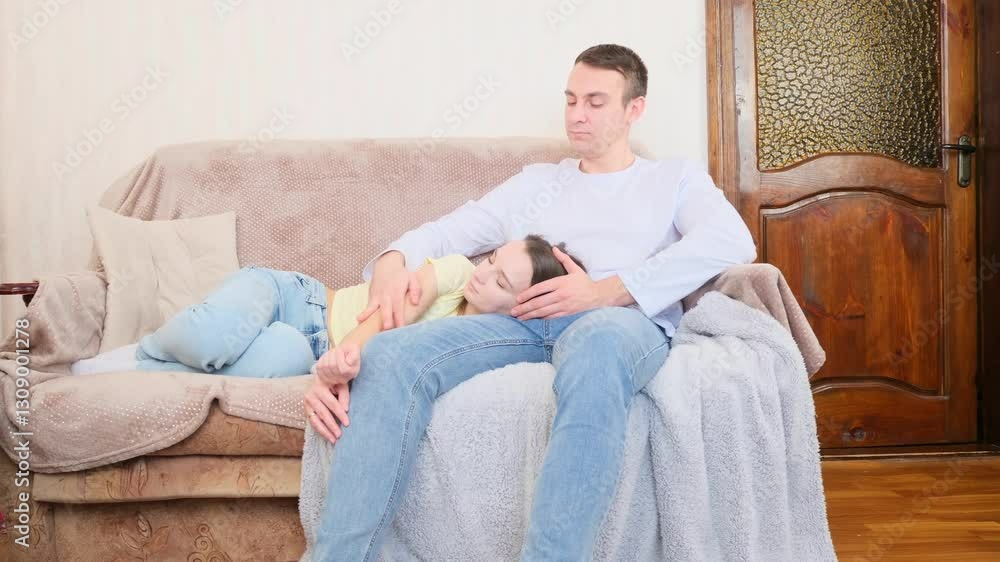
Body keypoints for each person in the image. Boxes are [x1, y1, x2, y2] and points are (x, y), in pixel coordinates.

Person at [309, 43, 757, 560]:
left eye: (594, 102)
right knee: (387, 357)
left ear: (634, 109)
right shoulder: (540, 183)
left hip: (616, 322)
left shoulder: (672, 179)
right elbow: (453, 229)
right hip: (521, 324)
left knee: (596, 346)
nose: (576, 115)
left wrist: (605, 291)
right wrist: (392, 258)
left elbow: (731, 240)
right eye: (570, 100)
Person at [127, 235, 583, 387]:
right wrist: (344, 358)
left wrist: (327, 363)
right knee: (212, 339)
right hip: (296, 300)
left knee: (275, 352)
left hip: (303, 350)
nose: (484, 274)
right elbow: (389, 314)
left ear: (524, 308)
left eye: (501, 281)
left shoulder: (482, 353)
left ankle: (143, 368)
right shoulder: (457, 271)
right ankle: (139, 353)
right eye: (493, 260)